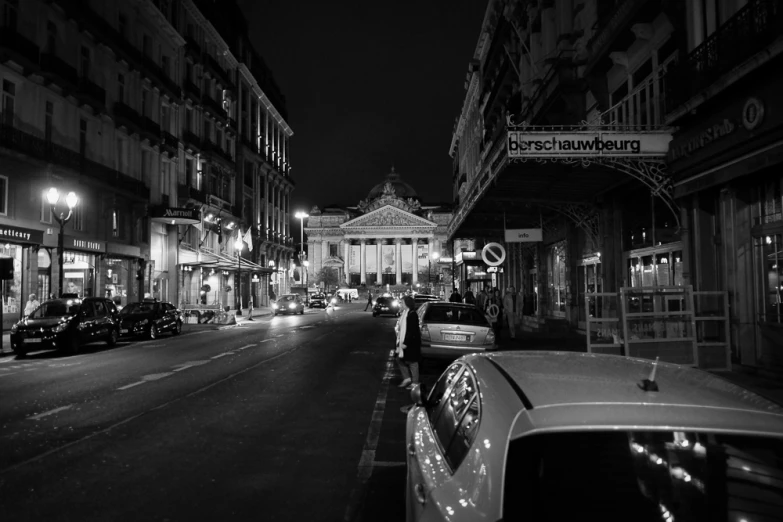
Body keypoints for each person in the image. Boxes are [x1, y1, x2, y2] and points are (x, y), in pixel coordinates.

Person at [395, 295, 422, 390]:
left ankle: (415, 382)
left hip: (411, 342)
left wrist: (405, 343)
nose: (400, 304)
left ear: (407, 304)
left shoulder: (412, 314)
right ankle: (407, 378)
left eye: (402, 303)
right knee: (400, 359)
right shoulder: (405, 313)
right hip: (405, 341)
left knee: (412, 362)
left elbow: (412, 330)